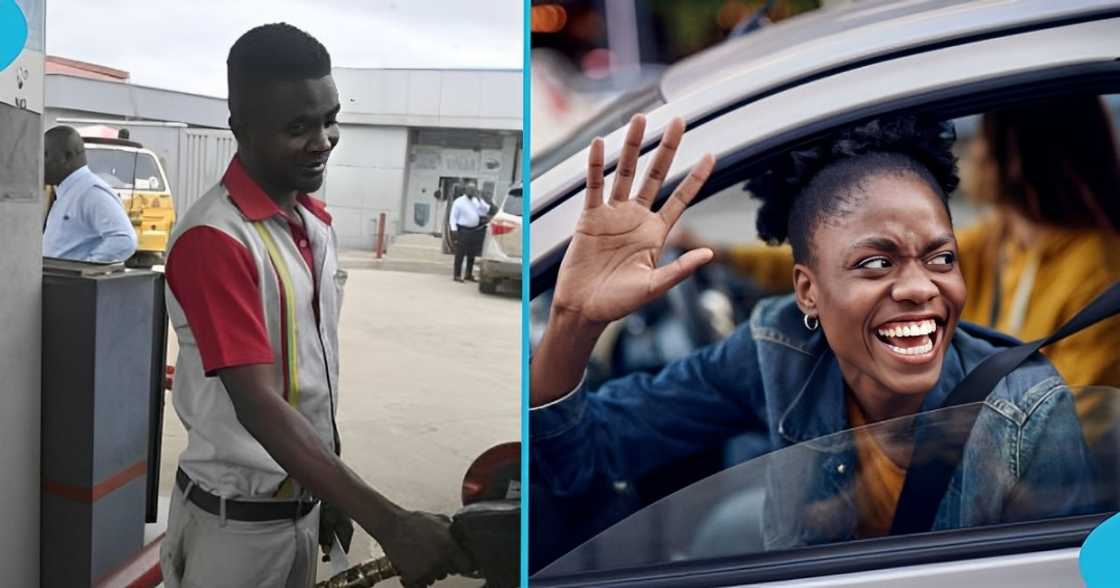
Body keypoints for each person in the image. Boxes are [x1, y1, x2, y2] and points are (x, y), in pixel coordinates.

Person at [530, 114, 1097, 550]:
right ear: (807, 291)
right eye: (875, 264)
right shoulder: (777, 349)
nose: (921, 287)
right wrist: (573, 323)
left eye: (940, 258)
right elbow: (584, 453)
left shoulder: (1029, 412)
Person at [160, 24, 469, 588]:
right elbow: (259, 405)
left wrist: (327, 493)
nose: (323, 139)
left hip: (299, 513)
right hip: (238, 537)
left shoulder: (312, 226)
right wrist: (391, 522)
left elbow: (310, 382)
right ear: (241, 129)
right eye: (297, 127)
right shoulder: (216, 239)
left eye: (330, 119)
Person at [678, 95, 1120, 443]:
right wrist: (718, 253)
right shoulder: (1004, 240)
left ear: (1020, 155)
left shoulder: (1096, 268)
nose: (971, 150)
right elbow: (844, 264)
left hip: (1015, 487)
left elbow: (1071, 424)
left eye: (984, 138)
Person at [42, 125, 137, 262]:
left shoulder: (91, 192)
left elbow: (124, 240)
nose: (39, 162)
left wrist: (86, 269)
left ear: (67, 156)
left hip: (70, 281)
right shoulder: (67, 192)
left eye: (45, 155)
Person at [449, 183, 491, 282]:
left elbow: (486, 209)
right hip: (463, 230)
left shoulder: (476, 201)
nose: (472, 192)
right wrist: (453, 229)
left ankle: (468, 274)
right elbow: (453, 217)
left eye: (474, 190)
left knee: (472, 254)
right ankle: (457, 275)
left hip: (474, 230)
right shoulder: (459, 202)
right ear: (465, 190)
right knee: (460, 253)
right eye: (470, 190)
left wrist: (480, 199)